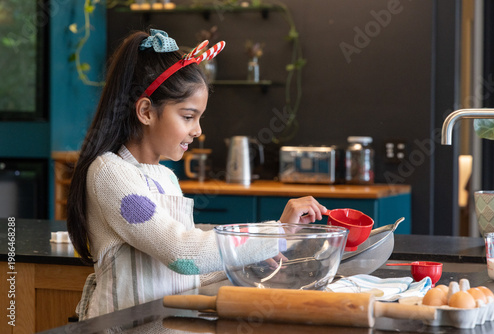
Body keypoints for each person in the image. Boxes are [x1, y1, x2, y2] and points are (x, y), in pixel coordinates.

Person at [67, 29, 327, 320]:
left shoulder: (165, 177)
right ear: (146, 112)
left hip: (165, 324)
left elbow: (186, 275)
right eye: (188, 116)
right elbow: (183, 255)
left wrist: (250, 259)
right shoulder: (110, 173)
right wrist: (276, 232)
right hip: (122, 327)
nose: (198, 130)